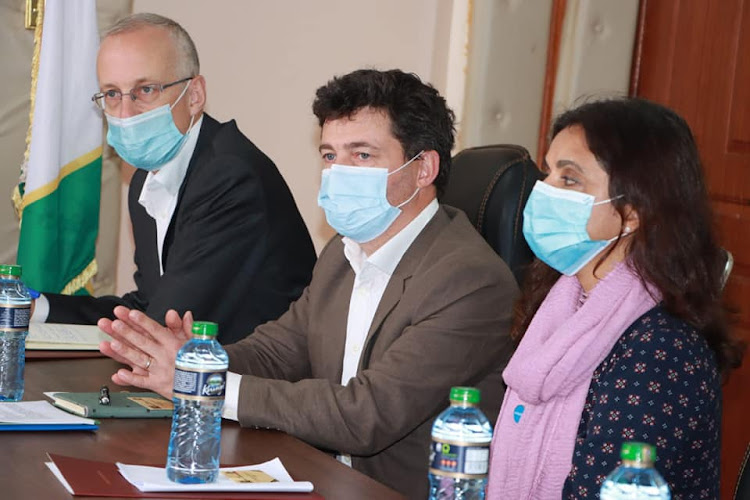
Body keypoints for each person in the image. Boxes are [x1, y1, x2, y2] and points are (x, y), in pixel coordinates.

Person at [98, 68, 518, 498]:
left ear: (424, 167)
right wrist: (194, 362)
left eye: (362, 156)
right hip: (323, 477)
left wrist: (213, 386)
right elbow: (278, 351)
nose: (338, 172)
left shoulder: (470, 280)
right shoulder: (344, 251)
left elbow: (365, 415)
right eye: (330, 156)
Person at [486, 98, 744, 499]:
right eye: (548, 171)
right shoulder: (561, 303)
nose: (543, 191)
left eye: (569, 180)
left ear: (633, 212)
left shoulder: (663, 351)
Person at [30, 13, 316, 344]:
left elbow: (163, 324)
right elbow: (148, 305)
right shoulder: (145, 181)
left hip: (254, 384)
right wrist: (36, 307)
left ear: (194, 95)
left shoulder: (230, 176)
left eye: (145, 89)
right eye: (111, 94)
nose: (124, 113)